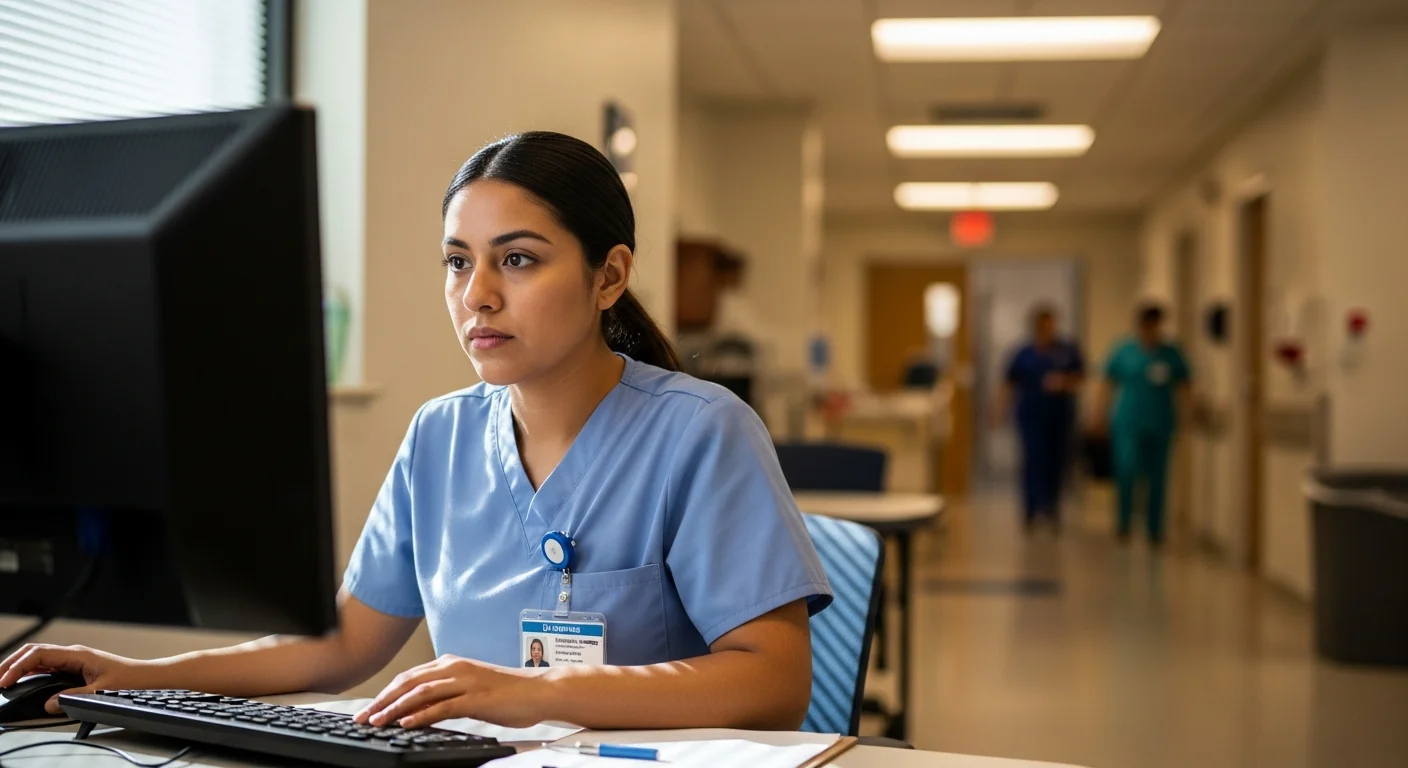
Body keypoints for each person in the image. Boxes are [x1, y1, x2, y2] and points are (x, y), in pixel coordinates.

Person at [0, 132, 833, 732]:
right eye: (457, 261)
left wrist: (535, 693)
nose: (476, 296)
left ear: (609, 275)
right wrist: (134, 677)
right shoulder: (439, 436)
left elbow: (774, 682)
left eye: (517, 259)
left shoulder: (701, 432)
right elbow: (341, 647)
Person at [1095, 304, 1192, 547]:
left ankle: (1154, 529)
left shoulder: (1170, 354)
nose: (1152, 331)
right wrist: (1098, 414)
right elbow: (1107, 383)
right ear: (1140, 326)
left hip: (1160, 423)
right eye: (1148, 326)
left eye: (1156, 326)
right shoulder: (1124, 351)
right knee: (1126, 471)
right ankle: (1124, 524)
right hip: (1128, 422)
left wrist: (1189, 416)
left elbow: (1185, 386)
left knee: (1158, 477)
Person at [995, 305, 1085, 532]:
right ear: (1036, 326)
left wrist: (1063, 383)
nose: (1048, 328)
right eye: (1044, 324)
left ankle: (1052, 509)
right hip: (1030, 415)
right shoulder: (1023, 353)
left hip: (1059, 416)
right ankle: (1031, 510)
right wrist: (998, 409)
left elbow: (1080, 379)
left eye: (1051, 323)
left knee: (1056, 463)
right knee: (1033, 460)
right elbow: (1008, 382)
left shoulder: (1067, 351)